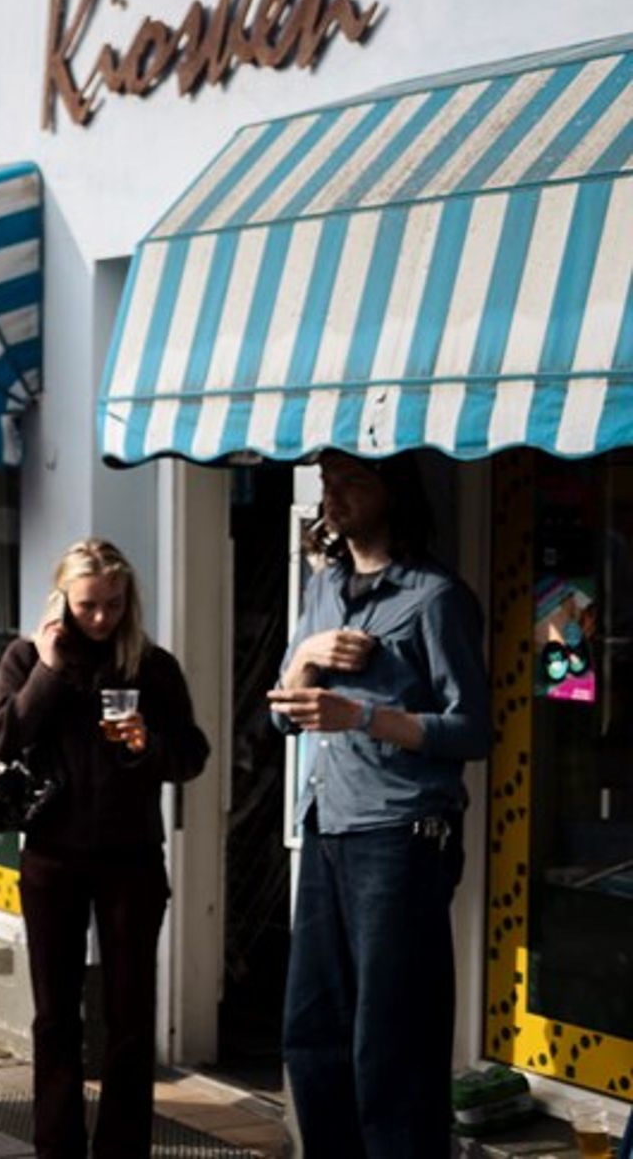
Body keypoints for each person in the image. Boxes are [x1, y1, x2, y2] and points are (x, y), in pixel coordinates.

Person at [269, 451, 489, 1157]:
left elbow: (474, 728)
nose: (333, 496)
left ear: (391, 492)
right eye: (328, 483)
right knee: (313, 1031)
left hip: (400, 834)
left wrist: (362, 717)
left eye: (351, 482)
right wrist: (306, 659)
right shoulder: (324, 587)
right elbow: (281, 713)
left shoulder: (435, 596)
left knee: (393, 1042)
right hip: (327, 821)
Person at [0, 538, 209, 1159]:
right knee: (56, 1015)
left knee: (130, 1017)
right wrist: (50, 671)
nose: (102, 618)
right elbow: (1, 738)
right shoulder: (28, 658)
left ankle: (122, 1148)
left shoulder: (151, 667)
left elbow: (192, 755)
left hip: (131, 858)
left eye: (113, 604)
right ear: (63, 600)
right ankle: (56, 1146)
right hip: (52, 856)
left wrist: (147, 745)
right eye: (88, 605)